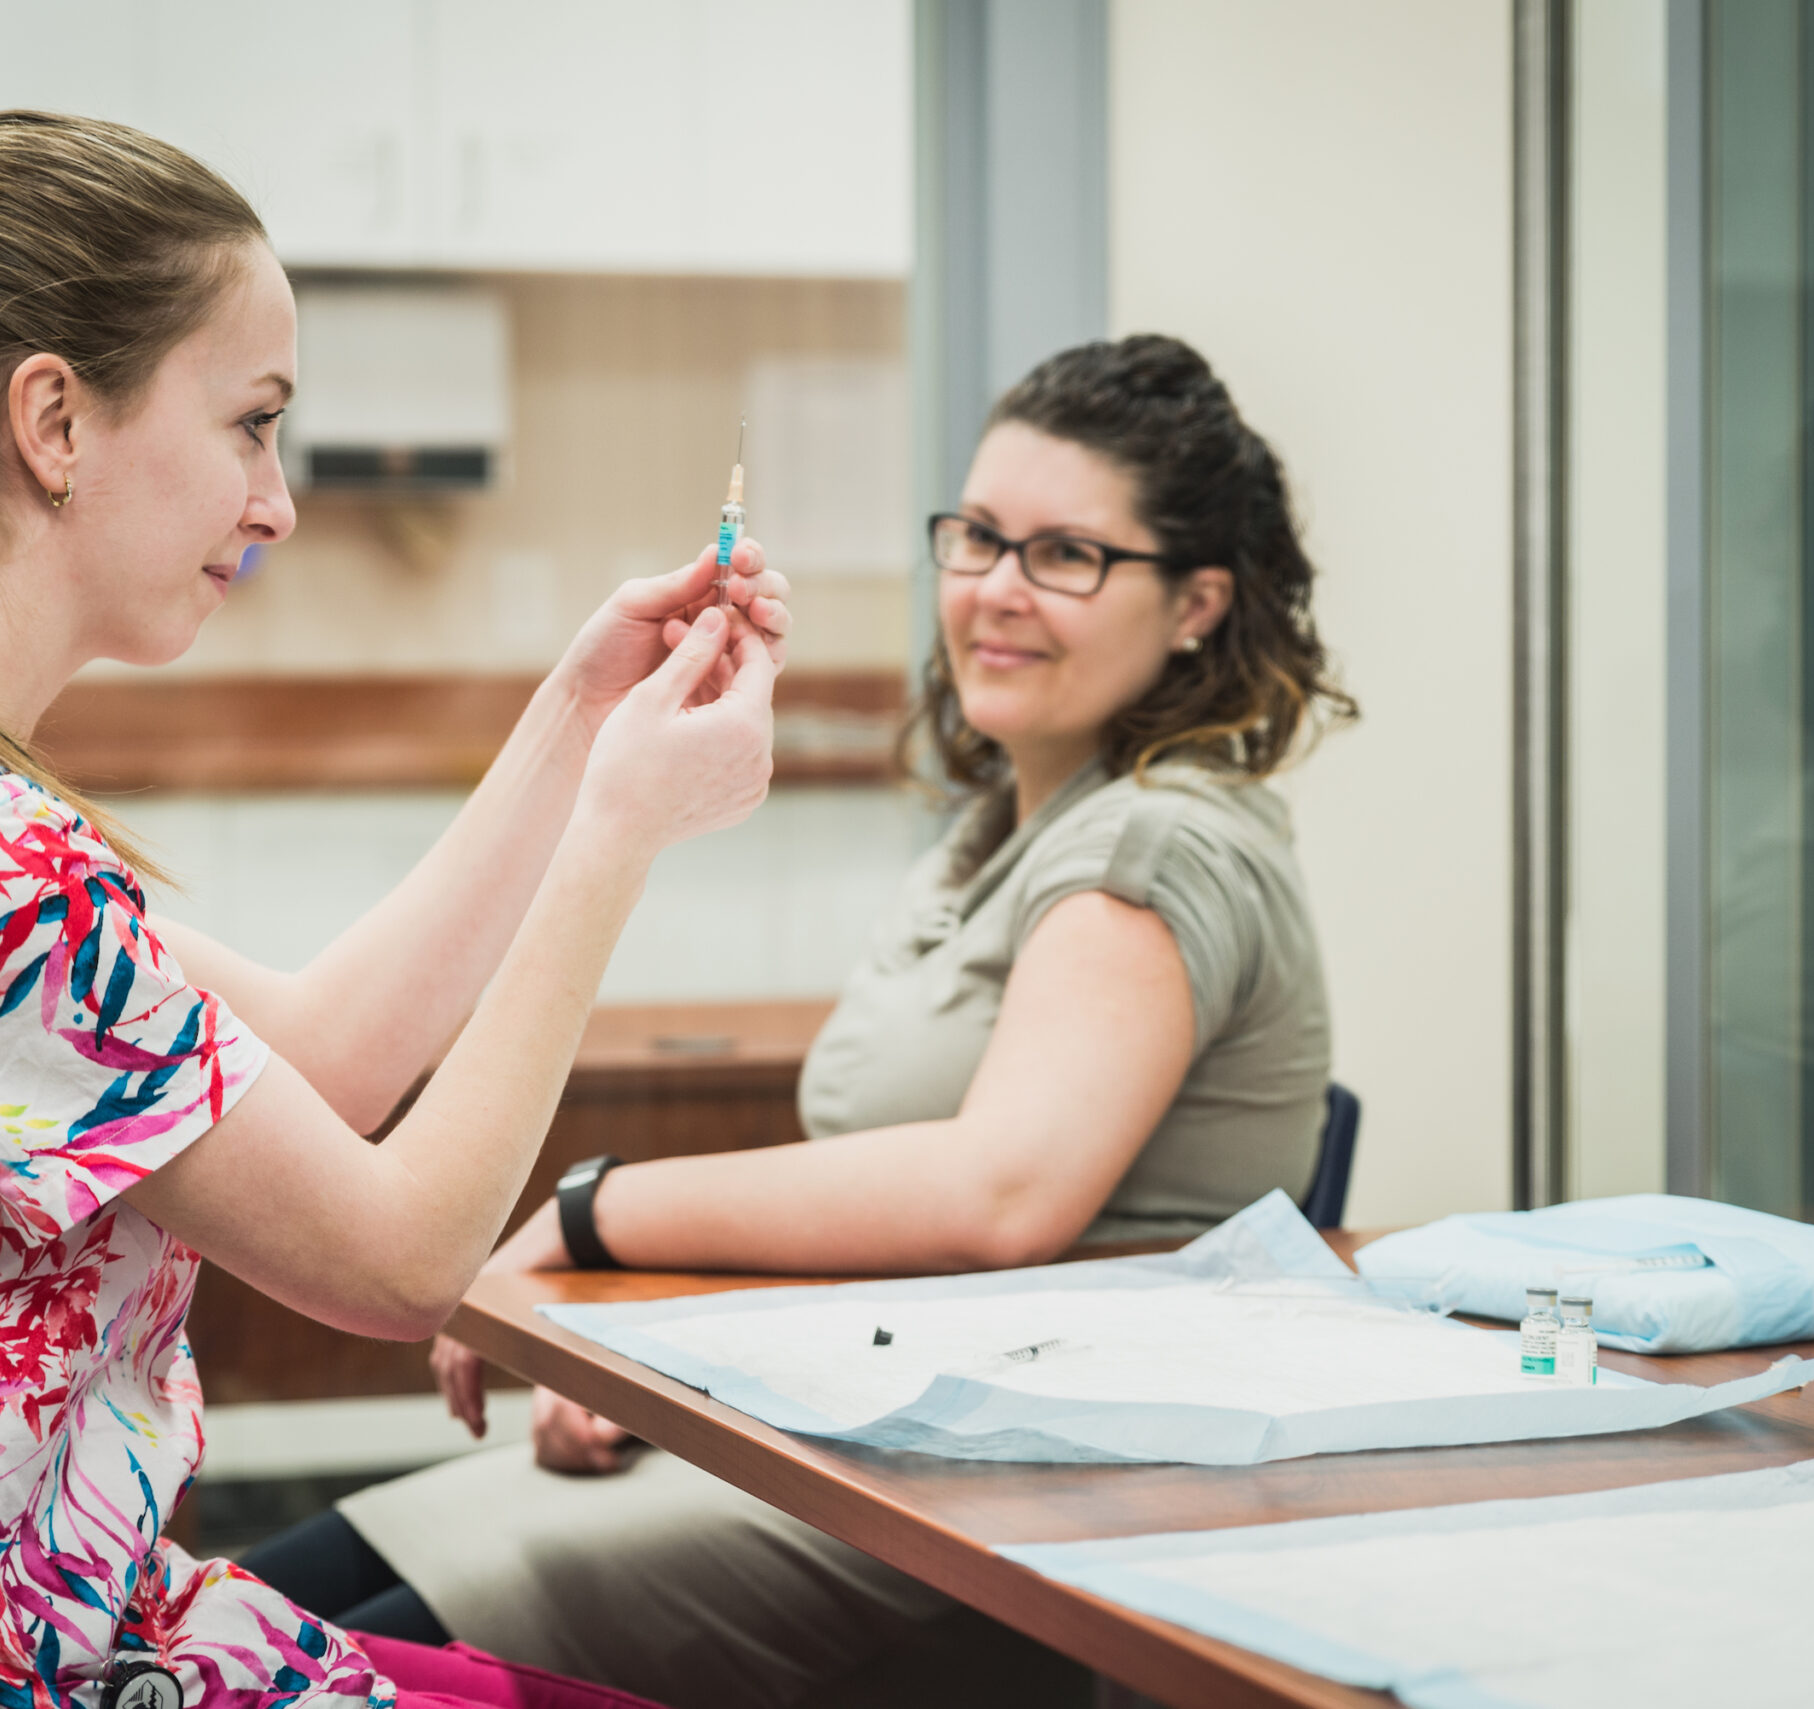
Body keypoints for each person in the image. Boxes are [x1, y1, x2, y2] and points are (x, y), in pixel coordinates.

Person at [0, 114, 789, 1709]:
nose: (276, 502)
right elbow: (407, 1258)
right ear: (56, 419)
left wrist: (577, 720)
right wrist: (621, 831)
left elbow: (327, 1059)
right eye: (252, 424)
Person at [248, 334, 1358, 1708]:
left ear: (1198, 603)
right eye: (980, 538)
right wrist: (675, 1373)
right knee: (256, 1595)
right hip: (868, 1420)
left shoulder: (1160, 844)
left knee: (265, 1648)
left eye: (1066, 555)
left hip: (1008, 1498)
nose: (997, 592)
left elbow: (999, 1192)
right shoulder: (1004, 835)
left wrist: (597, 1212)